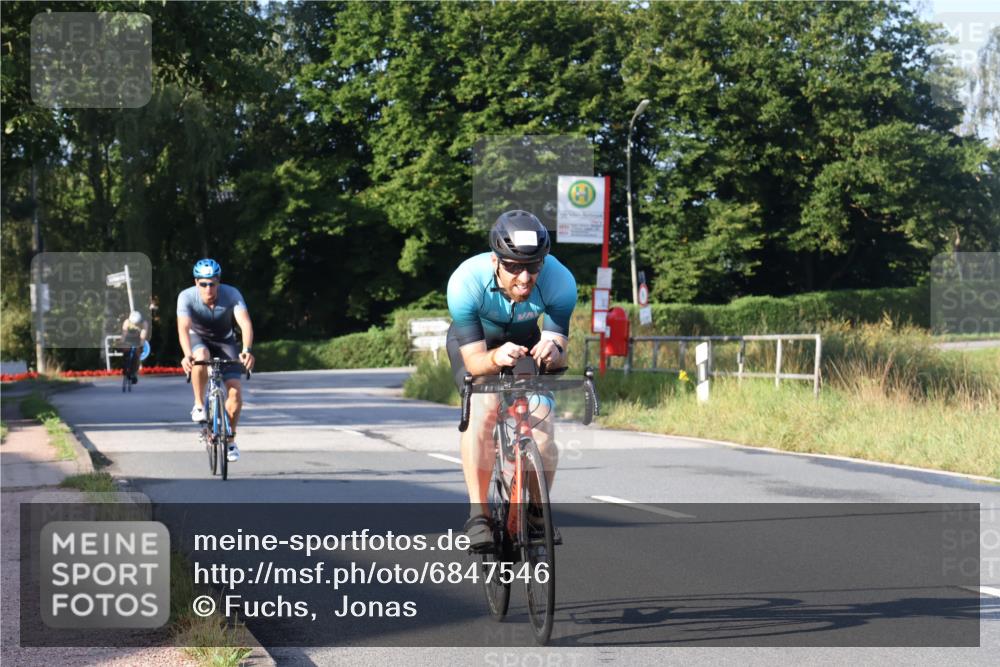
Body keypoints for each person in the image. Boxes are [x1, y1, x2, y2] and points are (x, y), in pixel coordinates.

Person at [446, 210, 577, 547]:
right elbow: (475, 362)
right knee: (484, 408)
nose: (524, 277)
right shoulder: (466, 282)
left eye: (533, 266)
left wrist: (553, 352)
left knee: (543, 429)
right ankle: (480, 515)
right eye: (514, 267)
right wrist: (494, 357)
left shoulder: (560, 282)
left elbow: (560, 349)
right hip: (478, 344)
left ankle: (535, 513)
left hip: (527, 342)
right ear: (495, 261)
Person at [177, 258, 255, 463]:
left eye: (212, 283)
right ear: (196, 282)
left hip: (225, 341)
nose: (208, 288)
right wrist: (187, 354)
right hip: (198, 338)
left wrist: (246, 350)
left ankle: (230, 440)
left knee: (235, 393)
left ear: (218, 281)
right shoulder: (186, 297)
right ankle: (199, 405)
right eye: (203, 283)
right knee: (200, 356)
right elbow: (183, 328)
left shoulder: (232, 294)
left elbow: (245, 324)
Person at [120, 310, 150, 384]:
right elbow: (124, 335)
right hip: (128, 338)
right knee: (125, 350)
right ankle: (125, 366)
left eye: (137, 324)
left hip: (137, 339)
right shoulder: (127, 322)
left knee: (137, 355)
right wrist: (122, 344)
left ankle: (134, 373)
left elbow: (143, 337)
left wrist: (140, 346)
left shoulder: (144, 324)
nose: (135, 325)